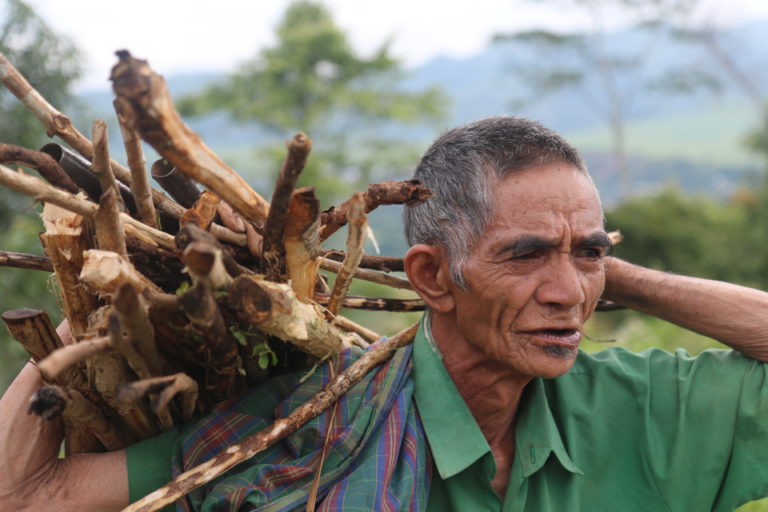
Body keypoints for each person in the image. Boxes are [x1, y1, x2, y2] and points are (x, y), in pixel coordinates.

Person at [3, 115, 768, 511]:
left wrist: (619, 277)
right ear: (432, 277)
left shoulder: (645, 414)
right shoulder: (300, 431)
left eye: (589, 254)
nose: (568, 292)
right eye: (527, 255)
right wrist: (102, 304)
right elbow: (25, 497)